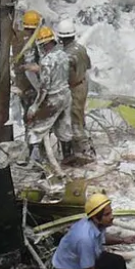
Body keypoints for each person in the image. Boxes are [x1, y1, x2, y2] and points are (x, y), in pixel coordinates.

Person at [52, 193, 135, 269]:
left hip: (87, 257)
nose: (112, 217)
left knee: (118, 261)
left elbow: (102, 238)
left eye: (110, 212)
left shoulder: (97, 224)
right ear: (96, 218)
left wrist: (122, 240)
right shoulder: (85, 239)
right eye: (107, 214)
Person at [24, 26, 74, 164]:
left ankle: (36, 163)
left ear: (44, 44)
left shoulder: (46, 61)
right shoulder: (64, 55)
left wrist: (35, 106)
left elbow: (44, 87)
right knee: (64, 128)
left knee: (36, 129)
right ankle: (68, 157)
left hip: (54, 98)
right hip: (66, 94)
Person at [57, 18, 93, 161]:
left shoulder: (66, 55)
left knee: (75, 119)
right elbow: (88, 66)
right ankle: (80, 147)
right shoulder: (81, 49)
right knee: (79, 115)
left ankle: (85, 151)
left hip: (74, 88)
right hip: (83, 84)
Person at [13, 9, 43, 117]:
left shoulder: (18, 37)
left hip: (20, 82)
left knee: (27, 113)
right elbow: (30, 68)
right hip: (31, 84)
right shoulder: (32, 41)